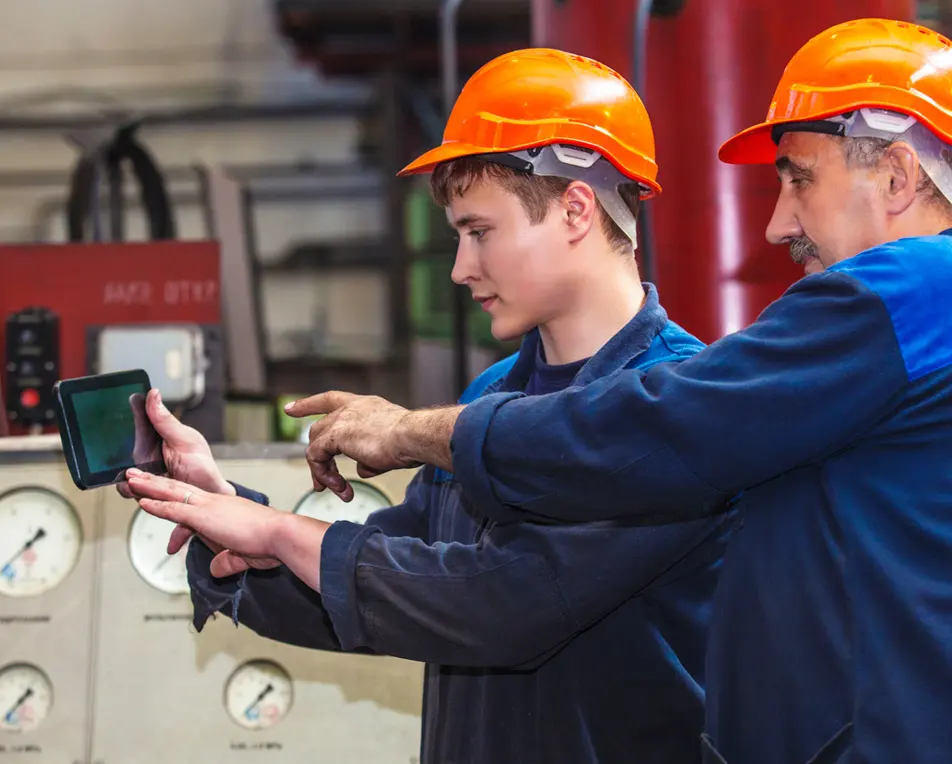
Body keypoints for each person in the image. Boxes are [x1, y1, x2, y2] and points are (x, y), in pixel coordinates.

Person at [283, 18, 952, 764]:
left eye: (798, 176)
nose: (774, 223)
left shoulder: (917, 290)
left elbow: (662, 429)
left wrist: (414, 433)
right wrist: (237, 529)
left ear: (898, 175)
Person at [124, 49, 737, 764]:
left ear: (575, 208)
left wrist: (284, 534)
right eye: (457, 236)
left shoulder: (681, 407)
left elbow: (503, 607)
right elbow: (392, 586)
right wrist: (223, 514)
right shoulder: (488, 400)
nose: (459, 268)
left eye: (480, 232)